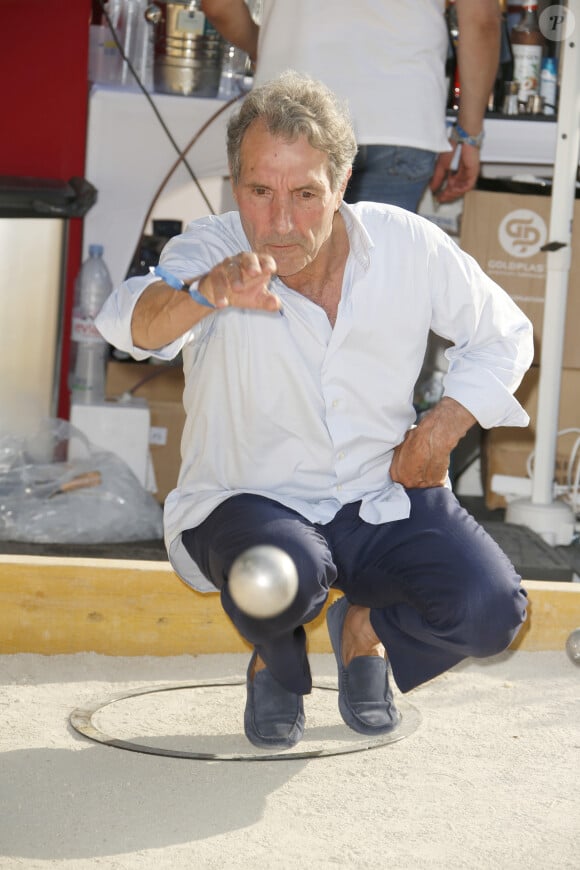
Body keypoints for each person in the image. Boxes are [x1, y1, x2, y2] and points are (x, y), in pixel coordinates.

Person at [96, 72, 533, 750]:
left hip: (378, 495)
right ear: (234, 183)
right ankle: (276, 654)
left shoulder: (405, 244)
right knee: (277, 578)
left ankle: (365, 629)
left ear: (343, 181)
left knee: (491, 610)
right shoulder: (211, 250)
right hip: (247, 503)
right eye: (259, 192)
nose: (281, 223)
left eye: (305, 194)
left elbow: (505, 334)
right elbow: (131, 322)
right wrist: (207, 294)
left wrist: (440, 428)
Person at [201, 0, 501, 210]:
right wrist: (469, 134)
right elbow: (482, 21)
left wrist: (264, 47)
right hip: (398, 115)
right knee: (377, 283)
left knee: (286, 284)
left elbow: (219, 7)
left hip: (290, 112)